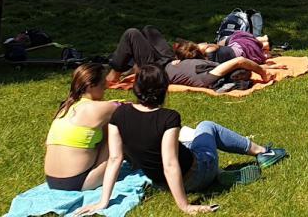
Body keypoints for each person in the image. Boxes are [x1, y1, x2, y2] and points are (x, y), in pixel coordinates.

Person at [78, 65, 286, 215]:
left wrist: (103, 201)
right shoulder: (168, 117)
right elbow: (170, 163)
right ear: (163, 90)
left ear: (136, 88)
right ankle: (261, 152)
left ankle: (220, 174)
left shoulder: (119, 115)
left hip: (162, 184)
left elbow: (115, 159)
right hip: (196, 174)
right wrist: (184, 206)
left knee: (187, 143)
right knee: (207, 127)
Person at [43, 63, 122, 191]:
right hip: (78, 182)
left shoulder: (65, 108)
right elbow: (133, 110)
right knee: (118, 128)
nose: (106, 87)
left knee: (101, 128)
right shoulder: (99, 108)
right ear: (91, 86)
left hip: (52, 181)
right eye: (103, 84)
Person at [165, 41, 272, 90]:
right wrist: (263, 72)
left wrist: (263, 72)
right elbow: (240, 61)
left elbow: (240, 61)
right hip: (243, 46)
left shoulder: (208, 70)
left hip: (243, 45)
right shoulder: (208, 73)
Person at [106, 26, 175, 85]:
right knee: (149, 29)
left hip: (156, 70)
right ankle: (134, 67)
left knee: (131, 33)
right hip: (170, 60)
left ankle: (114, 76)